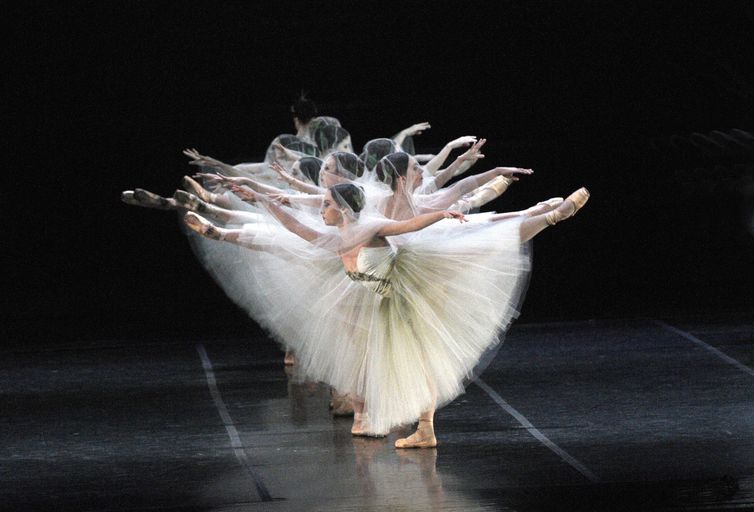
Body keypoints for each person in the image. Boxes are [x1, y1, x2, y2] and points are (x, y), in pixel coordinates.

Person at [183, 182, 588, 448]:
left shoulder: (369, 223)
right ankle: (417, 429)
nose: (320, 210)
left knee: (477, 245)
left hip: (404, 289)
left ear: (341, 207)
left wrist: (440, 216)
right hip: (376, 300)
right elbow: (292, 229)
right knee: (402, 364)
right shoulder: (334, 235)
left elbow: (405, 224)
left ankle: (550, 215)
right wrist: (263, 202)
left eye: (325, 204)